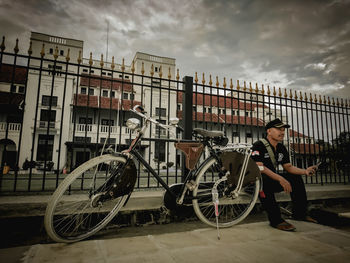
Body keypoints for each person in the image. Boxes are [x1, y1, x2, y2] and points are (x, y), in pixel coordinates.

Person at [251, 118, 318, 231]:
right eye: (278, 129)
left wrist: (305, 171)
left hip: (272, 179)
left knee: (295, 178)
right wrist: (280, 178)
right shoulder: (259, 145)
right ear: (269, 131)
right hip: (255, 183)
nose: (282, 132)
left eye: (283, 130)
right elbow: (259, 167)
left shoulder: (281, 148)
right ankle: (276, 220)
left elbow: (289, 167)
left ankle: (300, 214)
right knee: (264, 181)